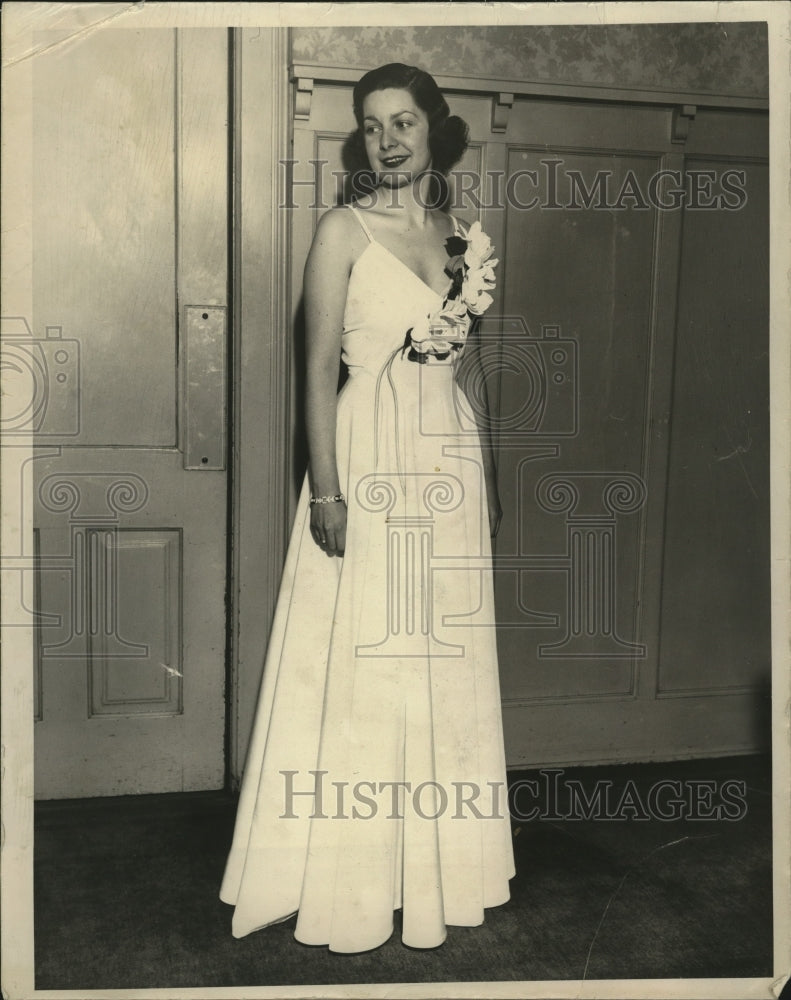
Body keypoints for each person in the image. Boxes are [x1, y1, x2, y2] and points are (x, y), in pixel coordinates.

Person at [220, 62, 515, 954]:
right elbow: (316, 367)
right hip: (366, 458)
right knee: (365, 655)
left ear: (434, 130)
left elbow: (468, 365)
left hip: (447, 459)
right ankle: (347, 877)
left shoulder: (464, 234)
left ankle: (431, 873)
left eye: (403, 124)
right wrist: (330, 488)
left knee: (438, 659)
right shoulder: (341, 230)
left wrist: (489, 473)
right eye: (372, 126)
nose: (387, 141)